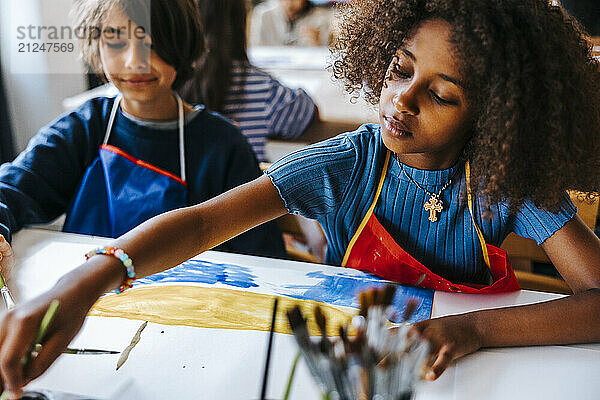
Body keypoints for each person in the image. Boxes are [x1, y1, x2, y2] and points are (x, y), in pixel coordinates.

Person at [1, 0, 599, 397]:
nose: (402, 101)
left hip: (479, 373)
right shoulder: (347, 163)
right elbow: (201, 224)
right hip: (364, 367)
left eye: (440, 94)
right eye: (398, 70)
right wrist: (84, 281)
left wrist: (474, 331)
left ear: (493, 118)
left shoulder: (503, 183)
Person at [0, 0, 286, 275]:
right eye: (116, 41)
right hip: (91, 307)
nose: (135, 61)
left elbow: (265, 262)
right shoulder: (85, 128)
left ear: (183, 44)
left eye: (152, 42)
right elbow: (10, 188)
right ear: (96, 45)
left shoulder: (223, 146)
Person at [179, 0, 317, 163]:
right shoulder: (263, 88)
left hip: (184, 186)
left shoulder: (171, 84)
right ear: (240, 22)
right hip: (244, 186)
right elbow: (308, 112)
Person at [250, 0, 332, 47]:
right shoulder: (262, 14)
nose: (288, 3)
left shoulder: (321, 17)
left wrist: (317, 43)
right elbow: (255, 48)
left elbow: (325, 56)